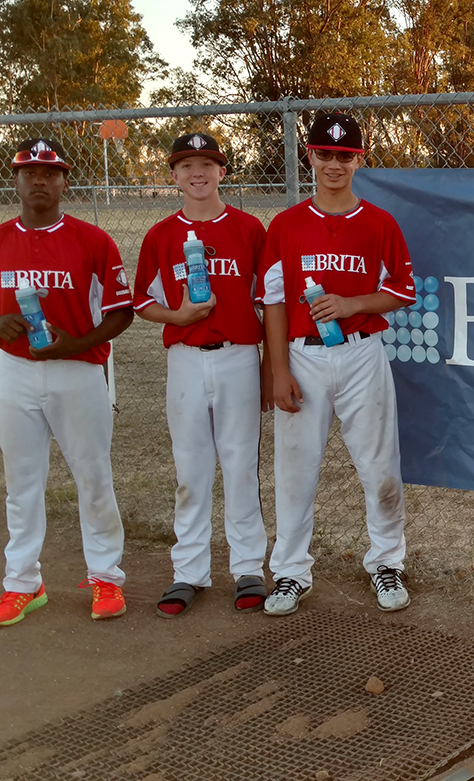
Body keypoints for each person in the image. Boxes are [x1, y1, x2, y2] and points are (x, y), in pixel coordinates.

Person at [0, 137, 134, 626]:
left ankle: (105, 577)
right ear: (16, 180)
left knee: (93, 477)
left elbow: (120, 315)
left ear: (64, 181)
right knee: (22, 482)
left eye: (50, 172)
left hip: (79, 371)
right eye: (29, 172)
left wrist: (73, 344)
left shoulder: (94, 241)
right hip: (16, 372)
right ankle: (22, 584)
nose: (39, 180)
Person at [260, 113, 417, 616]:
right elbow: (275, 303)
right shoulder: (285, 225)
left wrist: (353, 304)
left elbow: (402, 291)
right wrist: (278, 370)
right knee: (295, 470)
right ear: (309, 155)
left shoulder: (378, 221)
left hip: (360, 354)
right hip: (303, 356)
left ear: (359, 160)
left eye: (344, 156)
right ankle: (290, 572)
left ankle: (387, 560)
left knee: (379, 466)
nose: (333, 164)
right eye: (324, 154)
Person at [133, 132, 269, 617]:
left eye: (207, 164)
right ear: (172, 175)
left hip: (237, 357)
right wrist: (178, 317)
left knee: (239, 466)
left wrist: (270, 367)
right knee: (190, 469)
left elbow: (266, 301)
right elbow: (143, 300)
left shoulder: (250, 229)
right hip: (186, 358)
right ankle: (188, 571)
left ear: (222, 172)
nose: (197, 173)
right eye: (186, 165)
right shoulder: (161, 235)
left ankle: (248, 566)